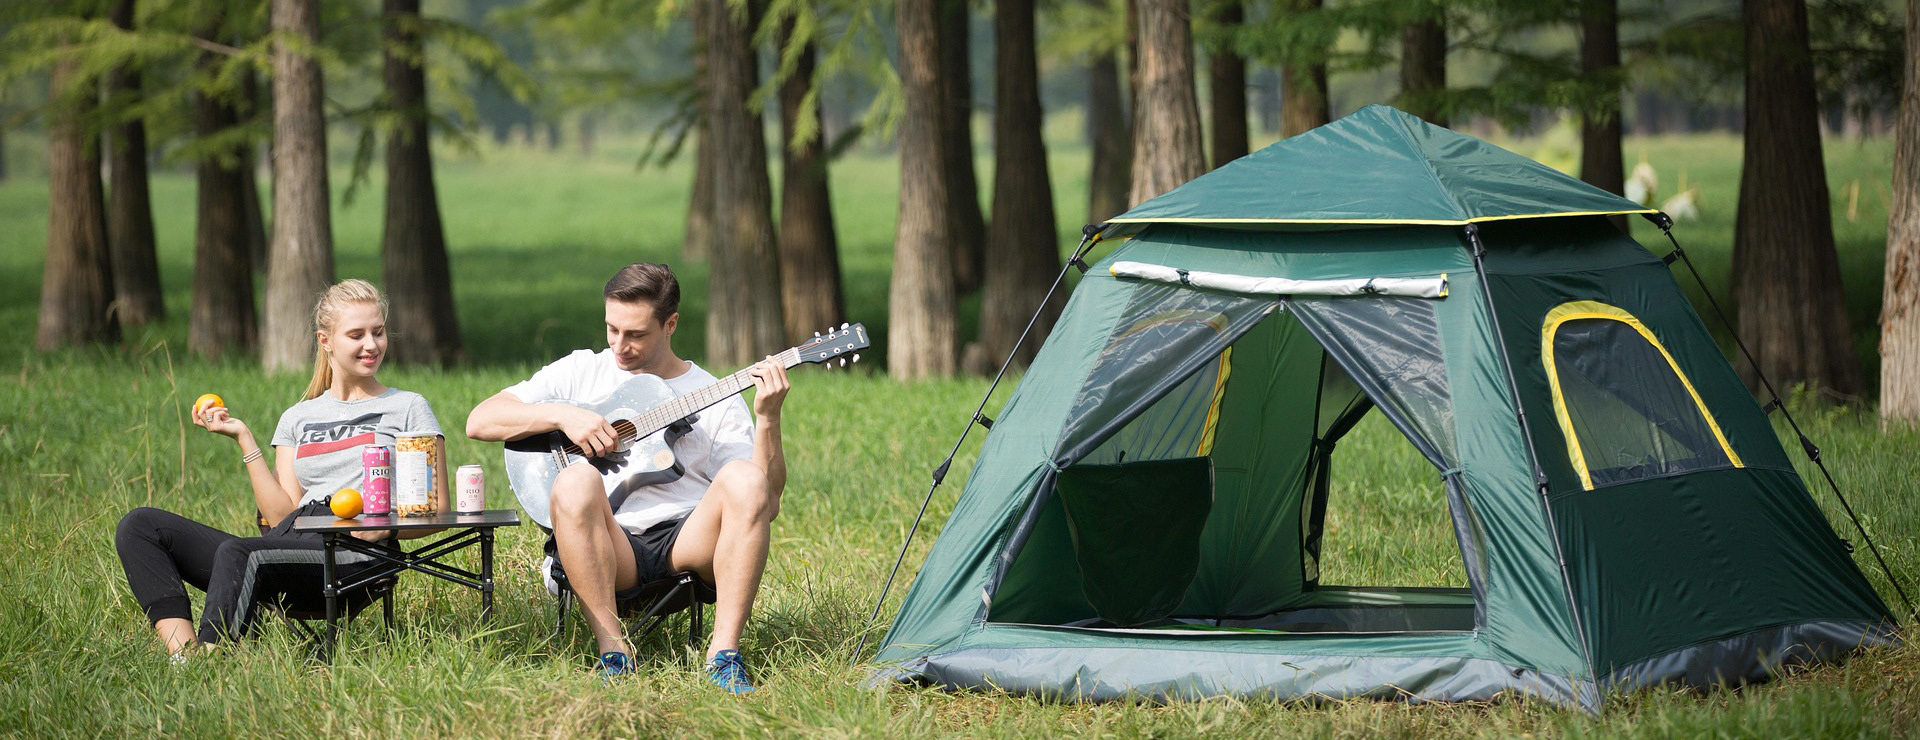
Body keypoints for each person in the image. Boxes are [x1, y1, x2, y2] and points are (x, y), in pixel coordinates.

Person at [465, 262, 787, 692]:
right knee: (576, 480)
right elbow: (480, 420)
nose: (619, 346)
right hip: (609, 542)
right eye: (611, 329)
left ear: (670, 324)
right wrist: (562, 415)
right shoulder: (582, 371)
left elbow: (766, 503)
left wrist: (768, 418)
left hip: (686, 542)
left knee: (746, 478)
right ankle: (614, 656)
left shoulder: (715, 393)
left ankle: (724, 658)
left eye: (635, 334)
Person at [114, 279, 450, 659]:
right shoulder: (297, 417)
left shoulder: (407, 408)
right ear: (325, 341)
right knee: (140, 526)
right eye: (356, 335)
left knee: (239, 553)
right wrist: (243, 437)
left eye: (378, 332)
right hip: (293, 540)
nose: (371, 345)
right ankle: (184, 656)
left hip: (356, 554)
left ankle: (210, 660)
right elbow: (280, 516)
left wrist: (385, 527)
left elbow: (437, 511)